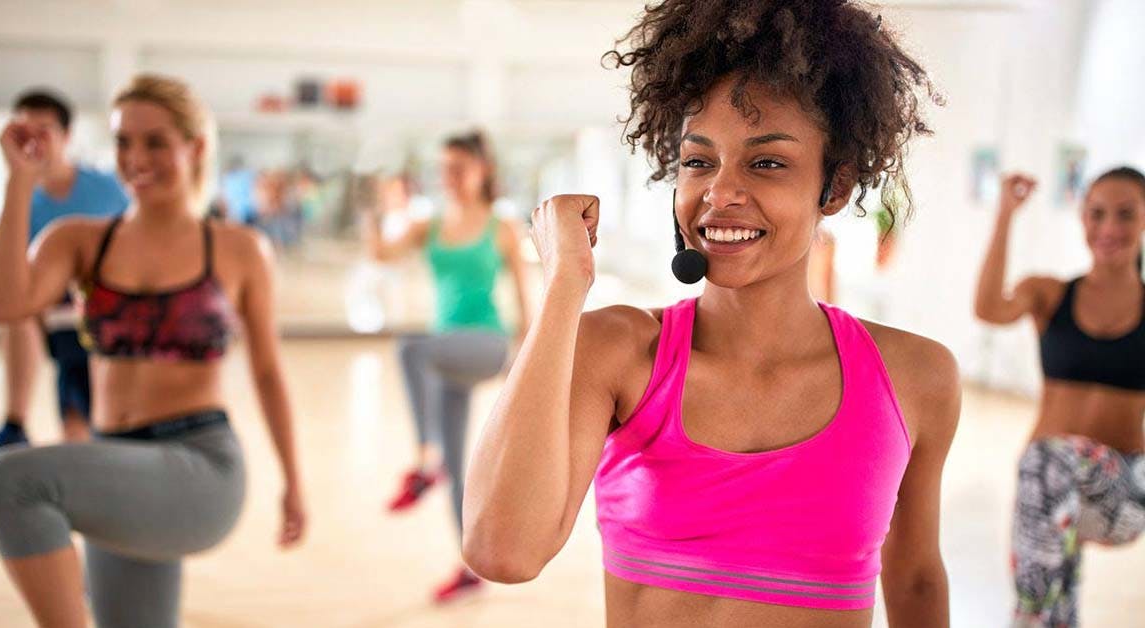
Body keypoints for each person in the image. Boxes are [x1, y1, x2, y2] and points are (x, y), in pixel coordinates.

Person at [462, 1, 959, 626]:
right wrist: (564, 284)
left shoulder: (916, 376)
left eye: (767, 162)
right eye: (699, 161)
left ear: (833, 187)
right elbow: (502, 549)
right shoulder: (619, 351)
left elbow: (914, 581)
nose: (719, 193)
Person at [0, 74, 305, 628]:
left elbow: (269, 372)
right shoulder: (79, 239)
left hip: (198, 465)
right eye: (123, 142)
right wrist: (19, 182)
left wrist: (293, 481)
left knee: (8, 481)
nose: (135, 158)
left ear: (195, 148)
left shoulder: (238, 249)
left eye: (155, 142)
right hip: (115, 459)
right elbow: (6, 305)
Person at [362, 131, 530, 603]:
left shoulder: (501, 226)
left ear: (483, 171)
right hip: (446, 353)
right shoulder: (428, 225)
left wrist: (528, 360)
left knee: (410, 349)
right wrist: (375, 207)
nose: (449, 178)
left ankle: (422, 462)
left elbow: (522, 299)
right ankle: (469, 566)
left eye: (459, 168)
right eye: (444, 169)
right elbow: (380, 252)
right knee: (459, 468)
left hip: (486, 344)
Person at [975, 167, 1145, 627]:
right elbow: (988, 308)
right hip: (1047, 495)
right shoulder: (1050, 294)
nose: (1109, 228)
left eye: (1125, 215)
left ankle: (1025, 619)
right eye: (1097, 214)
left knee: (1044, 460)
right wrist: (1006, 213)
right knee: (1059, 586)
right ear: (1083, 219)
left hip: (1122, 495)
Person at [0, 90, 129, 467]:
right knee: (16, 311)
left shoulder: (109, 189)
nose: (34, 141)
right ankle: (15, 424)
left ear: (67, 136)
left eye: (44, 130)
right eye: (23, 132)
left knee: (91, 435)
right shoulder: (19, 202)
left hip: (108, 317)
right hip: (54, 324)